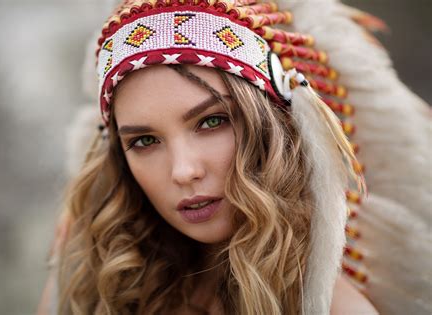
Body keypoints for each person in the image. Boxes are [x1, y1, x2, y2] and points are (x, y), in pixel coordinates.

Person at [37, 0, 431, 314]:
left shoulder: (330, 307)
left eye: (212, 122)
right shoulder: (96, 281)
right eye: (144, 141)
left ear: (281, 128)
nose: (184, 171)